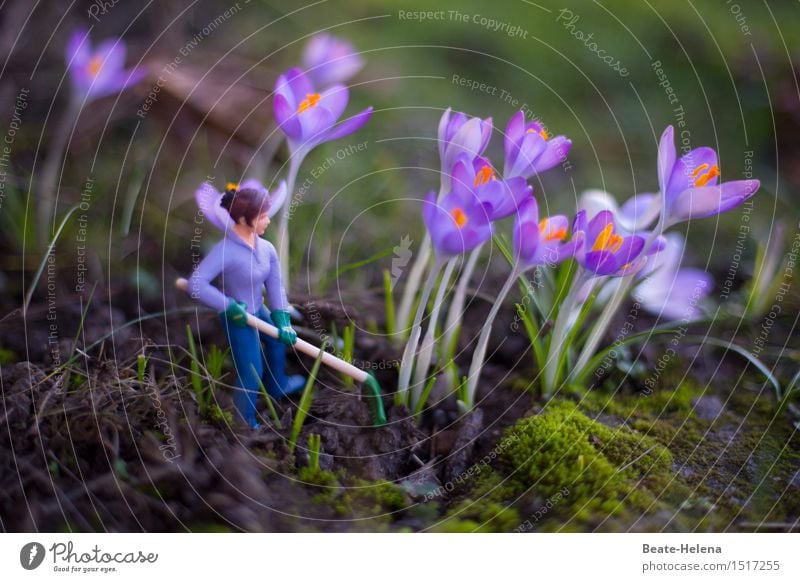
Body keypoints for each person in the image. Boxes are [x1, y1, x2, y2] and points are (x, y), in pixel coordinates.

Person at [188, 182, 305, 428]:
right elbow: (196, 284)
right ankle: (244, 422)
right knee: (251, 371)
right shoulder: (225, 251)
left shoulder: (267, 249)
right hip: (237, 317)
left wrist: (283, 320)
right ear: (242, 218)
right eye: (262, 216)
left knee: (276, 343)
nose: (268, 221)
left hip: (258, 309)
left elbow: (275, 287)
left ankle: (277, 385)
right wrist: (228, 306)